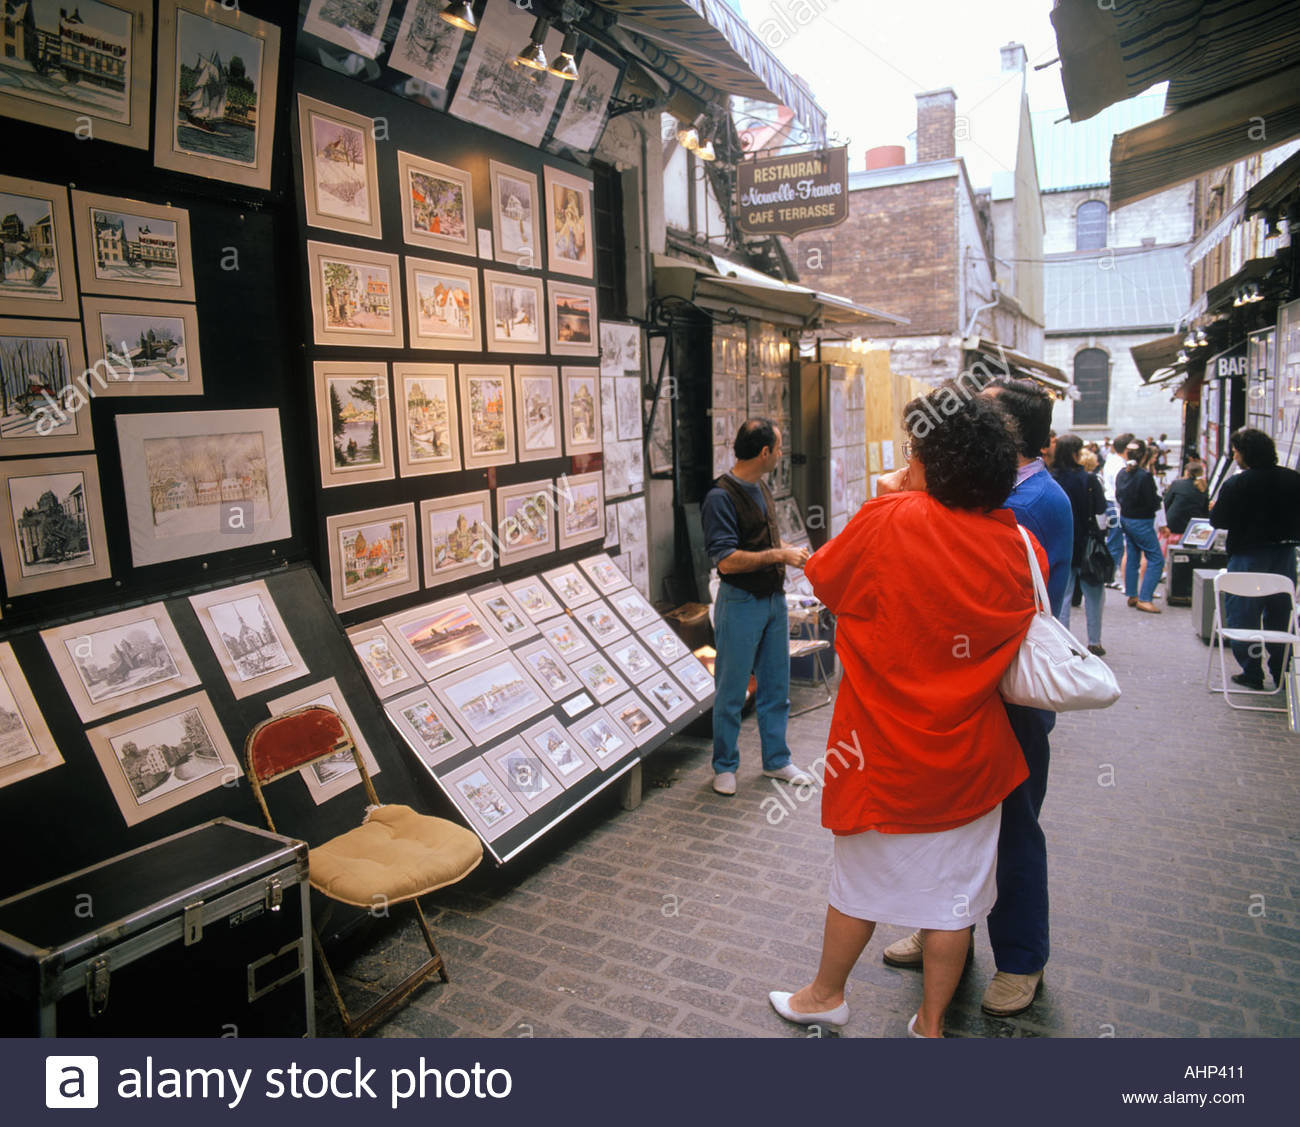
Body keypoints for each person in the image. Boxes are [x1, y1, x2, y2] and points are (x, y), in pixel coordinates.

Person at [769, 386, 1041, 1038]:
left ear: (930, 463)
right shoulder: (1016, 544)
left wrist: (890, 494)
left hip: (880, 754)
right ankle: (931, 1021)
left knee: (857, 885)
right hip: (973, 761)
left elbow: (825, 577)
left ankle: (825, 995)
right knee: (953, 903)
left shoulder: (891, 519)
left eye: (915, 452)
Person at [880, 377, 1072, 1019]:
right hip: (970, 690)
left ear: (1007, 434)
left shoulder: (1033, 501)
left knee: (1013, 827)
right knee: (951, 824)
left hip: (1009, 697)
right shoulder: (994, 490)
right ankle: (942, 929)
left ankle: (1021, 958)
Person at [701, 419, 815, 796]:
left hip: (772, 601)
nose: (781, 455)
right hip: (740, 603)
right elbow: (726, 561)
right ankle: (725, 766)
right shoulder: (720, 496)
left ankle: (777, 760)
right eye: (779, 449)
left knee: (775, 686)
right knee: (732, 689)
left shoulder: (761, 486)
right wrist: (779, 555)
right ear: (764, 452)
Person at [1208, 427, 1300, 690]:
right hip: (1284, 555)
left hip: (1248, 556)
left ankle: (1252, 671)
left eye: (1236, 452)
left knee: (1244, 616)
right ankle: (1281, 670)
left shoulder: (1238, 483)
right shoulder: (1294, 479)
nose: (1235, 457)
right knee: (1280, 615)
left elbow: (1219, 520)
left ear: (1245, 453)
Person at [1051, 434, 1107, 655]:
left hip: (1062, 541)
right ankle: (1094, 641)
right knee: (1093, 593)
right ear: (1076, 453)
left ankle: (1064, 641)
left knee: (1063, 595)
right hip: (1087, 542)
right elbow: (1101, 512)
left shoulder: (1052, 477)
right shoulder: (1089, 479)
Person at [1116, 439, 1164, 613]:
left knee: (1133, 555)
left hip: (1126, 518)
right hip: (1142, 520)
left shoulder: (1122, 473)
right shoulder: (1144, 476)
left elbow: (1118, 495)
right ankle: (1145, 598)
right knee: (1156, 559)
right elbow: (1153, 501)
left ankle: (1132, 594)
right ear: (1144, 455)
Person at [1101, 433, 1134, 582]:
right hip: (1115, 504)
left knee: (1115, 540)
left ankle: (1112, 572)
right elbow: (1120, 487)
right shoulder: (1120, 465)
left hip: (1112, 502)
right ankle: (1110, 575)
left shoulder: (1112, 460)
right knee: (1115, 540)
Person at [1162, 462, 1210, 538]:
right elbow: (1205, 510)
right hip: (1192, 527)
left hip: (1173, 525)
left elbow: (1166, 504)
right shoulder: (1204, 488)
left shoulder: (1177, 484)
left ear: (1186, 472)